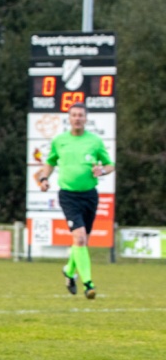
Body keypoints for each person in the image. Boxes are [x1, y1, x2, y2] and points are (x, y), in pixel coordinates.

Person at [34, 103, 113, 299]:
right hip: (68, 196)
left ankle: (69, 271)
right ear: (69, 118)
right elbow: (50, 162)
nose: (77, 118)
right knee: (79, 237)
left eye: (81, 115)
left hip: (90, 195)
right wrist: (44, 179)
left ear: (86, 119)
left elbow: (110, 165)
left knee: (83, 241)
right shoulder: (59, 141)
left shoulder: (94, 141)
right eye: (74, 115)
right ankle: (88, 284)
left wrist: (102, 171)